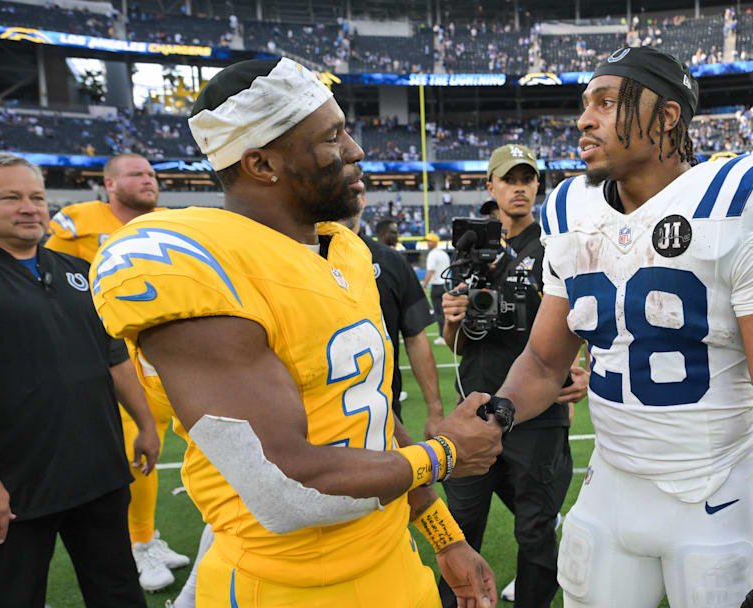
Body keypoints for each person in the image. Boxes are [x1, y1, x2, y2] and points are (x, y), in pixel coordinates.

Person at [89, 58, 503, 606]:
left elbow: (371, 419)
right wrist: (446, 453)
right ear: (262, 164)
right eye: (332, 137)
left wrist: (443, 535)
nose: (356, 150)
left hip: (389, 557)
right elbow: (285, 487)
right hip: (287, 584)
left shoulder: (341, 247)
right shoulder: (197, 266)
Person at [494, 47, 753, 607]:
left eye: (606, 102)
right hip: (609, 484)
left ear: (668, 117)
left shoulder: (741, 200)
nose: (584, 119)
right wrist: (494, 412)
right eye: (584, 104)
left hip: (711, 494)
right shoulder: (573, 210)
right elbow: (546, 362)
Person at [0, 152, 160, 608]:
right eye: (10, 198)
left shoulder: (75, 272)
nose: (29, 207)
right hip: (18, 484)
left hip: (98, 470)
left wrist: (144, 422)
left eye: (36, 197)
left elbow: (114, 355)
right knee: (14, 595)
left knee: (118, 589)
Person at [438, 143, 588, 608]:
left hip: (536, 414)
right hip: (475, 408)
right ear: (491, 186)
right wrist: (452, 317)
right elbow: (455, 344)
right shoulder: (468, 250)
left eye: (527, 178)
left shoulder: (555, 246)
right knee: (457, 528)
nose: (518, 187)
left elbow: (585, 319)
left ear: (537, 186)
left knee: (537, 530)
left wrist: (584, 369)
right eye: (508, 178)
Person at [43, 153, 189, 592]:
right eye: (136, 174)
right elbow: (46, 282)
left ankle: (156, 537)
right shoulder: (77, 223)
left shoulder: (172, 220)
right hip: (113, 356)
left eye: (151, 174)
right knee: (136, 451)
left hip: (170, 352)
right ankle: (139, 542)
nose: (148, 180)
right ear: (109, 184)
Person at [344, 193, 445, 427]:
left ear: (362, 199)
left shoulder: (389, 260)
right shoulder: (293, 258)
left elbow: (415, 337)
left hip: (384, 412)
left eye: (352, 187)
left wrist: (435, 409)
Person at [423, 231, 450, 346]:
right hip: (446, 284)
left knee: (439, 313)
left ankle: (443, 336)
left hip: (437, 286)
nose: (428, 243)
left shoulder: (432, 254)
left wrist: (424, 285)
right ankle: (447, 335)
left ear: (435, 242)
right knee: (445, 313)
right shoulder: (443, 253)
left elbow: (430, 271)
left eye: (430, 241)